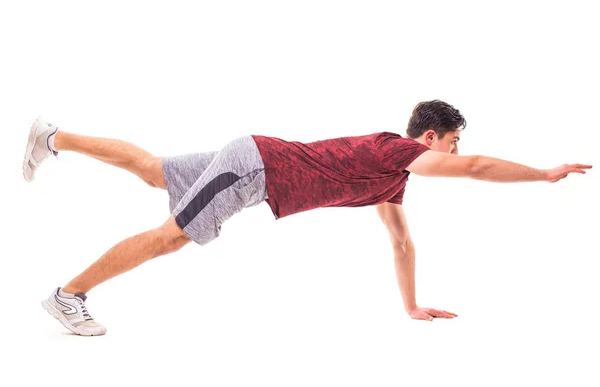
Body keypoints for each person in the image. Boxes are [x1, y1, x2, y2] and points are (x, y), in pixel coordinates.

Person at [23, 100, 592, 336]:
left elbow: (401, 244)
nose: (455, 151)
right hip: (256, 170)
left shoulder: (392, 179)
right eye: (453, 142)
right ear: (431, 137)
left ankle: (52, 136)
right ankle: (68, 294)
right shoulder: (397, 150)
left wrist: (410, 305)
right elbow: (475, 169)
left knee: (152, 171)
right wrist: (541, 175)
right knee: (172, 238)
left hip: (252, 158)